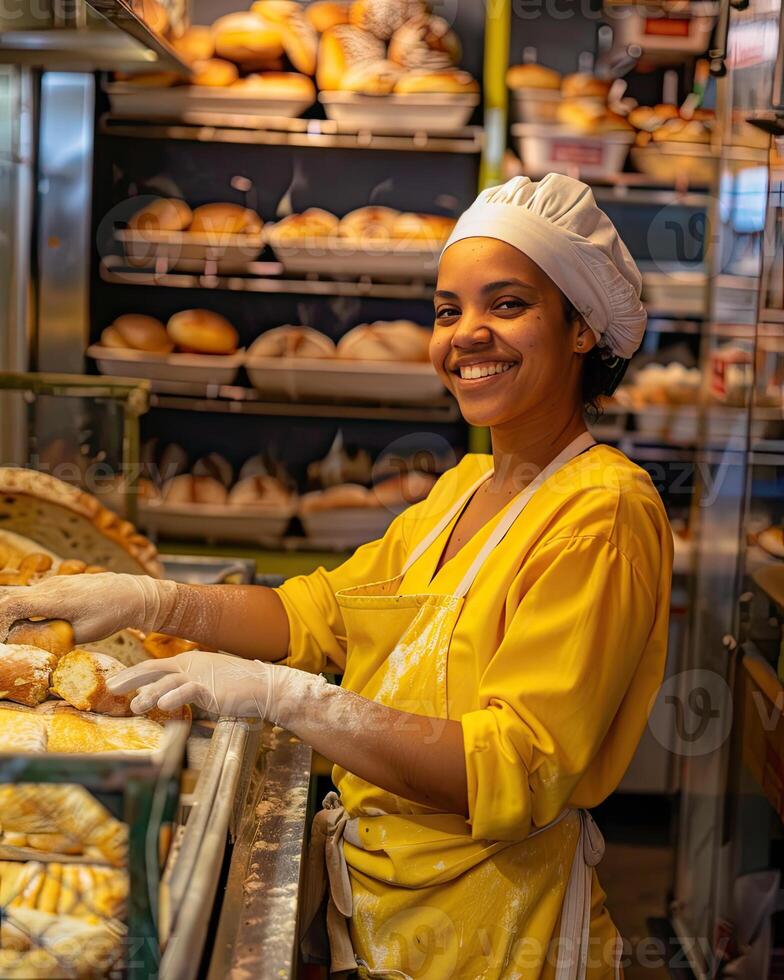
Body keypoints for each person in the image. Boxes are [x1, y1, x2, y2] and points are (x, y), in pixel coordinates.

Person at [0, 174, 673, 979]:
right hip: (388, 914)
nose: (467, 335)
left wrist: (285, 696)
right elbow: (313, 614)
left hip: (495, 939)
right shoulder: (464, 490)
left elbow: (511, 768)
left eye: (507, 305)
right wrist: (147, 596)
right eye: (448, 311)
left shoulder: (603, 513)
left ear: (581, 331)